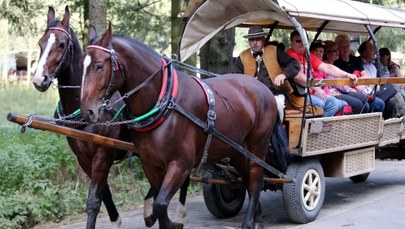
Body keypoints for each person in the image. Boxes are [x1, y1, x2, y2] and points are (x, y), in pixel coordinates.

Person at [232, 25, 304, 120]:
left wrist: (283, 75)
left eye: (258, 39)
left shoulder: (274, 51)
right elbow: (235, 78)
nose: (255, 42)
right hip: (250, 95)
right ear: (249, 41)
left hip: (275, 94)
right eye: (252, 40)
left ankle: (278, 132)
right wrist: (248, 82)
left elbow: (294, 64)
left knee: (277, 106)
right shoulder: (242, 57)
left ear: (263, 40)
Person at [286, 31, 357, 117]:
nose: (301, 43)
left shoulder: (307, 55)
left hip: (310, 93)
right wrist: (317, 88)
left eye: (304, 41)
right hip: (297, 95)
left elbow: (327, 67)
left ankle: (322, 126)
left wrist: (346, 74)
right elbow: (298, 77)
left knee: (344, 103)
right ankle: (317, 128)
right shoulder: (290, 54)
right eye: (298, 41)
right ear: (291, 42)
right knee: (328, 103)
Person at [333, 34, 384, 114]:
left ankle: (372, 123)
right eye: (343, 47)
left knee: (380, 103)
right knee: (365, 106)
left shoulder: (355, 60)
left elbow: (365, 76)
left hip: (361, 90)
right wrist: (356, 84)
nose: (346, 49)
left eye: (347, 46)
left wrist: (357, 83)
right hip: (346, 91)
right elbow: (340, 83)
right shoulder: (336, 63)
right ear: (338, 49)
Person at [308, 40, 349, 116]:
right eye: (315, 51)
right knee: (333, 103)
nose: (318, 53)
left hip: (324, 93)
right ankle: (321, 125)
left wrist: (328, 93)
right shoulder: (310, 65)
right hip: (314, 93)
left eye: (321, 51)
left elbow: (325, 84)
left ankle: (335, 124)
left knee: (345, 104)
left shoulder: (321, 66)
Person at [357, 41, 393, 118]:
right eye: (372, 50)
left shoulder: (373, 65)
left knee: (393, 94)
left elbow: (379, 78)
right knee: (389, 95)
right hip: (366, 92)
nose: (375, 52)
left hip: (376, 91)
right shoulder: (358, 64)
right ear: (364, 53)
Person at [379, 47, 405, 117]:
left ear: (388, 56)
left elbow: (401, 80)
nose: (381, 58)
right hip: (385, 89)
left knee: (399, 95)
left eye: (382, 55)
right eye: (379, 55)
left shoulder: (394, 67)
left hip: (396, 88)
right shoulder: (379, 67)